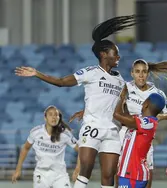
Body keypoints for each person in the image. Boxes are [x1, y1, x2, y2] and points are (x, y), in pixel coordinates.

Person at [15, 15, 144, 188]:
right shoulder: (91, 72)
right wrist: (37, 73)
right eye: (116, 52)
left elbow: (113, 105)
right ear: (104, 54)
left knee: (109, 174)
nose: (119, 56)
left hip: (112, 130)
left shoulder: (121, 80)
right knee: (86, 169)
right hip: (92, 128)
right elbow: (61, 82)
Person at [70, 58, 167, 188]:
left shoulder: (157, 94)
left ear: (148, 73)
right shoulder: (126, 87)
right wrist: (87, 111)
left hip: (144, 138)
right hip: (125, 135)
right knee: (119, 174)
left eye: (144, 72)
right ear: (132, 73)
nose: (141, 75)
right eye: (137, 71)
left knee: (147, 177)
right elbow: (107, 103)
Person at [11, 105, 79, 188]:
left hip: (60, 175)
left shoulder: (65, 134)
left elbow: (81, 150)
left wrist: (78, 169)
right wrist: (18, 169)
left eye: (56, 115)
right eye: (50, 114)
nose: (54, 117)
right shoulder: (36, 132)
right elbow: (25, 148)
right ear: (45, 118)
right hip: (41, 174)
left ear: (59, 118)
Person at [113, 86, 166, 188]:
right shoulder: (141, 121)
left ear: (146, 104)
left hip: (132, 174)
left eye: (144, 101)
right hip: (127, 173)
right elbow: (125, 117)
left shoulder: (148, 122)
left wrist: (122, 96)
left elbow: (117, 114)